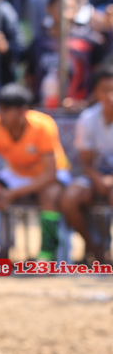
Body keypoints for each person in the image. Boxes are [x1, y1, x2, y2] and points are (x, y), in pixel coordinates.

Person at [0, 83, 71, 267]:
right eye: (0, 108)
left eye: (6, 110)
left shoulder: (43, 125)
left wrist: (12, 194)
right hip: (16, 173)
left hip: (50, 174)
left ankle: (47, 252)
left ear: (22, 111)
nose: (0, 114)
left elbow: (51, 173)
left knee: (49, 195)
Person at [24, 0, 110, 109]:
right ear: (49, 8)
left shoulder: (91, 41)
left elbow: (101, 78)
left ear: (76, 9)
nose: (64, 12)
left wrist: (87, 103)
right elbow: (30, 77)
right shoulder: (39, 43)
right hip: (45, 110)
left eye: (69, 7)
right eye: (60, 6)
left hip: (80, 111)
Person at [62, 65, 113, 263]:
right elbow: (86, 163)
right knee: (69, 199)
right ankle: (96, 251)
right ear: (96, 92)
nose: (110, 96)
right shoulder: (88, 119)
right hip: (94, 176)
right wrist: (99, 180)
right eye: (106, 90)